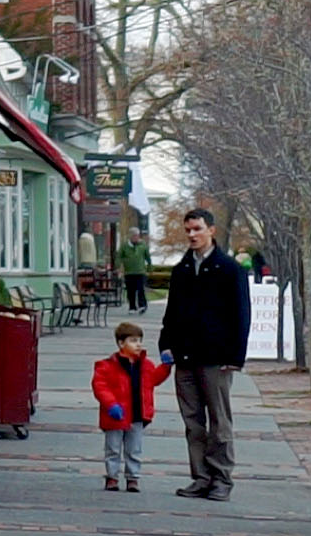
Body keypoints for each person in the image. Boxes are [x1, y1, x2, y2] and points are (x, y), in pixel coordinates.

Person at [158, 208, 250, 501]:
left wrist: (235, 356)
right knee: (193, 422)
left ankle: (221, 478)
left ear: (211, 230)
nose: (192, 235)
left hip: (217, 358)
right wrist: (166, 343)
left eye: (197, 229)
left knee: (219, 421)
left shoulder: (230, 269)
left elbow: (241, 314)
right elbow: (172, 311)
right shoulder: (182, 270)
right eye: (188, 230)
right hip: (185, 357)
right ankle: (201, 477)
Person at [92, 321, 171, 492]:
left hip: (137, 414)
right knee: (113, 448)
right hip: (115, 416)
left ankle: (133, 477)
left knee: (134, 449)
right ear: (121, 343)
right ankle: (112, 476)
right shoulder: (107, 366)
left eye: (139, 341)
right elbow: (100, 386)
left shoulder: (145, 365)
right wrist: (111, 404)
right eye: (133, 341)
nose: (138, 345)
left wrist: (165, 367)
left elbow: (154, 379)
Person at [117, 232, 151, 313]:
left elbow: (147, 257)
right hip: (129, 272)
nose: (136, 238)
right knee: (130, 290)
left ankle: (142, 305)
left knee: (141, 289)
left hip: (140, 272)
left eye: (137, 236)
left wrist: (150, 267)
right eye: (134, 236)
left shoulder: (143, 245)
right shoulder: (124, 246)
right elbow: (119, 257)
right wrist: (118, 267)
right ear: (130, 237)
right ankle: (132, 307)